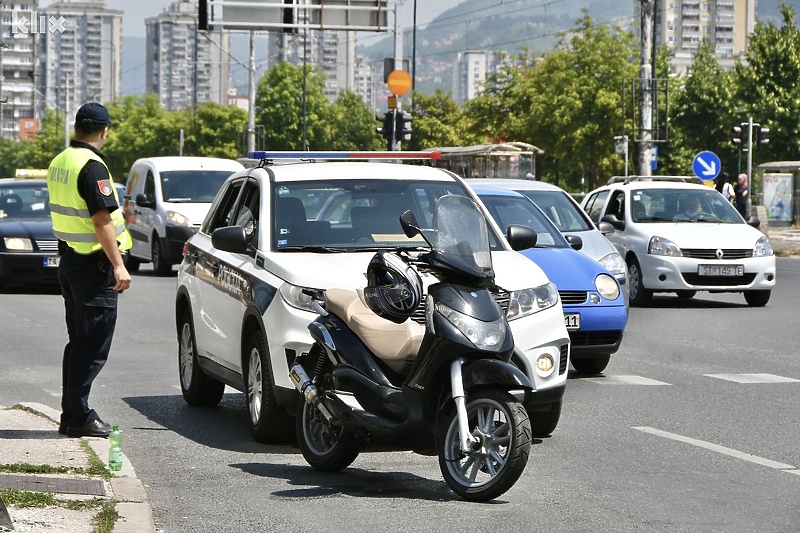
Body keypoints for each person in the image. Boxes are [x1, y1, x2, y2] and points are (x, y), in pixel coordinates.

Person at [46, 102, 133, 438]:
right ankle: (78, 416)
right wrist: (119, 265)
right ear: (104, 131)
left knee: (79, 342)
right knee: (93, 343)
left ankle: (73, 415)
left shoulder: (60, 161)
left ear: (76, 128)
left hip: (70, 260)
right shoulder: (93, 166)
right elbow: (101, 220)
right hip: (94, 267)